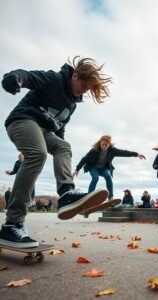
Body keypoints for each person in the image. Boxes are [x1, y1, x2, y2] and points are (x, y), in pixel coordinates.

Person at [0, 56, 112, 248]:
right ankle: (12, 223)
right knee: (38, 154)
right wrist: (13, 78)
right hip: (22, 120)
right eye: (83, 84)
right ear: (74, 76)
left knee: (64, 146)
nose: (84, 90)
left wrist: (62, 153)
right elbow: (27, 76)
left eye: (88, 88)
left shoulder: (72, 104)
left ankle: (67, 192)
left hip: (44, 131)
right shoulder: (54, 79)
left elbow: (59, 128)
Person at [73, 135, 146, 200]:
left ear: (109, 145)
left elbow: (124, 152)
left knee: (108, 176)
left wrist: (136, 154)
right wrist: (77, 169)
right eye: (102, 145)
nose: (104, 146)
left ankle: (110, 197)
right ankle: (89, 196)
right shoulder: (94, 150)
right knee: (95, 178)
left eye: (106, 145)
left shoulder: (112, 150)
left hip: (104, 168)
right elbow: (84, 159)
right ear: (100, 143)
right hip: (93, 167)